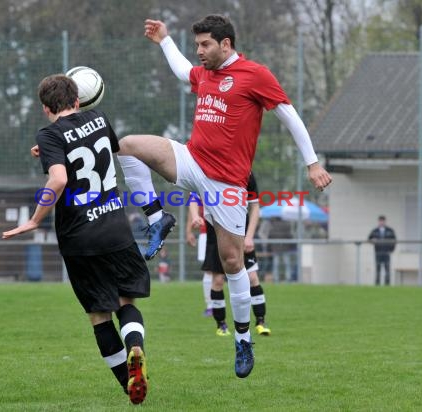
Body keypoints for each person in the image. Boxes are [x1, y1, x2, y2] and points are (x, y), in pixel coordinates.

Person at [116, 15, 333, 378]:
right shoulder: (205, 74)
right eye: (197, 45)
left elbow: (290, 116)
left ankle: (243, 339)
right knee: (127, 147)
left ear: (226, 44)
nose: (199, 51)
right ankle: (157, 220)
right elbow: (183, 71)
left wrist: (312, 164)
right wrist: (165, 41)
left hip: (227, 184)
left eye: (205, 45)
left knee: (233, 263)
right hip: (191, 160)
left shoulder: (255, 75)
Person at [3, 74, 149, 404]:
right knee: (127, 303)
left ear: (45, 108)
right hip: (116, 228)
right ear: (79, 101)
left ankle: (129, 384)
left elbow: (58, 180)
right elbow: (104, 148)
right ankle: (136, 348)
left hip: (80, 237)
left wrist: (34, 220)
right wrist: (54, 150)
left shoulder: (49, 132)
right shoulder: (99, 118)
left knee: (99, 315)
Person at [189, 173, 271, 338]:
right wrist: (196, 216)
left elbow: (255, 207)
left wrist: (249, 236)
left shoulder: (246, 173)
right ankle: (221, 325)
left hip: (240, 232)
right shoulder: (207, 169)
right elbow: (193, 197)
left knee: (252, 277)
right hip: (215, 233)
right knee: (217, 280)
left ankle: (261, 322)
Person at [185, 200, 213, 316]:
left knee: (233, 269)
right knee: (209, 270)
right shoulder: (197, 182)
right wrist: (188, 231)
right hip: (206, 232)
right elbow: (192, 206)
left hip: (227, 231)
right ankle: (211, 306)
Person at [368, 215, 397, 286]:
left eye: (383, 221)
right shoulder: (375, 231)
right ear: (378, 222)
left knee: (387, 269)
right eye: (380, 221)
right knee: (378, 269)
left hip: (386, 252)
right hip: (378, 252)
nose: (381, 222)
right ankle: (377, 284)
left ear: (385, 221)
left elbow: (394, 240)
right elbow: (369, 239)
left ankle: (387, 284)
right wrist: (372, 241)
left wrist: (391, 250)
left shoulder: (390, 231)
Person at [268, 217, 296, 283]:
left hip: (275, 247)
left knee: (276, 264)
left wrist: (270, 246)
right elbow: (290, 236)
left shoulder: (273, 225)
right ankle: (288, 278)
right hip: (285, 246)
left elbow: (270, 236)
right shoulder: (287, 225)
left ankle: (276, 278)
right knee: (287, 264)